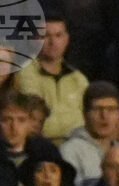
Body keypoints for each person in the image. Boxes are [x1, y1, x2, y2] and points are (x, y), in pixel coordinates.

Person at [15, 11, 89, 143]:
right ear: (34, 40)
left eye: (58, 35)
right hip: (42, 144)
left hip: (79, 144)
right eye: (45, 36)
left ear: (67, 40)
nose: (53, 42)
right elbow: (38, 122)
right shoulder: (24, 73)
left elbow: (90, 119)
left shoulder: (78, 78)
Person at [59, 82, 119, 186]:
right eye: (97, 109)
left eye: (111, 109)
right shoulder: (70, 150)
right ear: (84, 114)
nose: (104, 116)